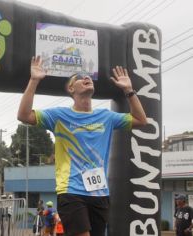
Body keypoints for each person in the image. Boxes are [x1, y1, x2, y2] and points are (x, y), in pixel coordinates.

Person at [17, 56, 147, 236]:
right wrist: (34, 80)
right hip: (71, 190)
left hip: (99, 193)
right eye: (79, 77)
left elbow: (141, 120)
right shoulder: (59, 116)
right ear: (71, 89)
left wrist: (129, 90)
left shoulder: (107, 117)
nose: (86, 78)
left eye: (88, 77)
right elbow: (24, 115)